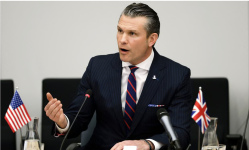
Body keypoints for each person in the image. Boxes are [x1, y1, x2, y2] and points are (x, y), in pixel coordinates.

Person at [44, 3, 192, 150]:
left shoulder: (176, 75)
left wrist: (148, 144)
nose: (122, 39)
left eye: (132, 33)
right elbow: (79, 117)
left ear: (151, 39)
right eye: (120, 30)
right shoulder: (98, 67)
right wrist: (63, 122)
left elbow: (180, 132)